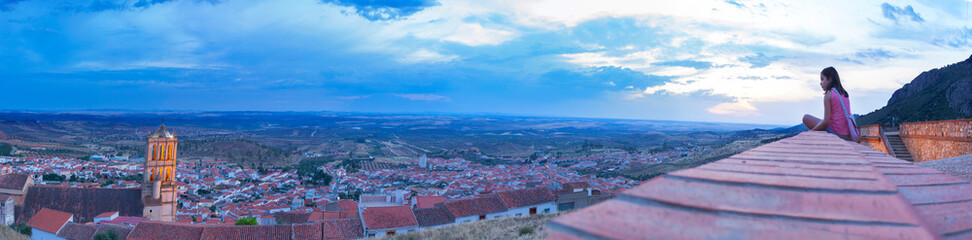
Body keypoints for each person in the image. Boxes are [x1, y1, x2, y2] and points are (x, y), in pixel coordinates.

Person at [802, 66, 853, 141]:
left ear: (830, 79)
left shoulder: (829, 95)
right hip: (847, 135)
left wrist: (810, 132)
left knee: (806, 118)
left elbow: (825, 122)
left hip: (835, 134)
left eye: (822, 79)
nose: (820, 83)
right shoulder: (845, 94)